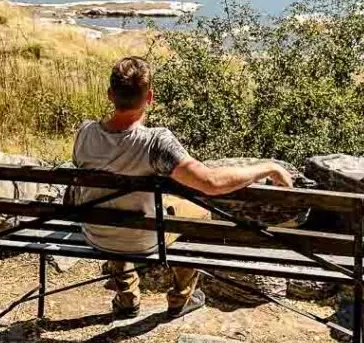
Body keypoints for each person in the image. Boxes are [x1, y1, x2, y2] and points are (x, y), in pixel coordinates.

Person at [70, 56, 293, 320]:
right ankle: (180, 296)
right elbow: (211, 182)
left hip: (97, 233)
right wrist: (267, 167)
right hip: (143, 240)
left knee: (114, 205)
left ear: (110, 95)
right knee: (199, 214)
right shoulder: (156, 143)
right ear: (150, 97)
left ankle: (127, 296)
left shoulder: (85, 133)